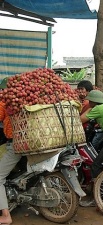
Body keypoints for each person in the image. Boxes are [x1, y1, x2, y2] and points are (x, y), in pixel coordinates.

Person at [0, 77, 22, 225]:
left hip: (16, 144)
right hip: (30, 143)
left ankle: (6, 215)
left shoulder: (4, 103)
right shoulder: (24, 101)